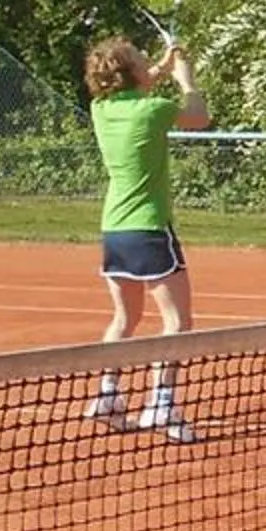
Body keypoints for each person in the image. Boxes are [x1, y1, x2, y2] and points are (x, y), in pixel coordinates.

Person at [82, 33, 210, 442]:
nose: (145, 63)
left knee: (125, 319)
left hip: (115, 230)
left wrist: (162, 64)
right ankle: (162, 403)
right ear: (130, 72)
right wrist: (186, 79)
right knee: (177, 321)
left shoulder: (100, 108)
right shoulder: (153, 109)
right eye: (139, 58)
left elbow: (140, 85)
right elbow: (198, 117)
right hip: (151, 229)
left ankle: (107, 394)